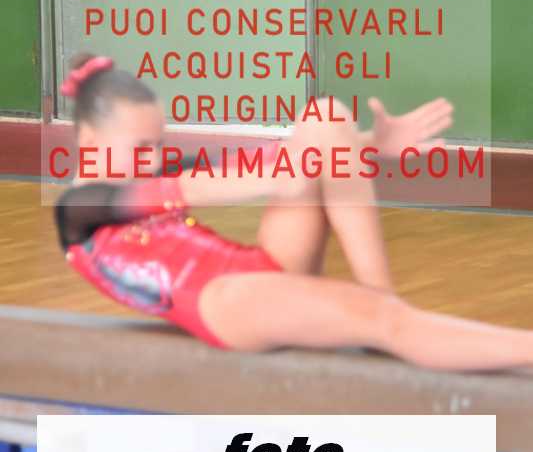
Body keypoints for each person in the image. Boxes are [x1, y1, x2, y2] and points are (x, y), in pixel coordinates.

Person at [55, 53, 533, 371]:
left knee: (325, 118)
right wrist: (276, 177)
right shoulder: (79, 209)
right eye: (142, 146)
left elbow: (264, 160)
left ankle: (380, 289)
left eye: (160, 143)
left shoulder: (150, 170)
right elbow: (194, 186)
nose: (156, 156)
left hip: (260, 267)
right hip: (225, 303)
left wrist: (369, 144)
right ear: (90, 141)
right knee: (381, 319)